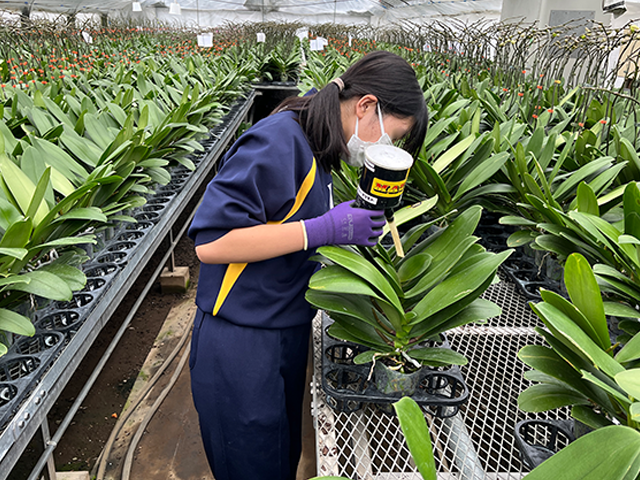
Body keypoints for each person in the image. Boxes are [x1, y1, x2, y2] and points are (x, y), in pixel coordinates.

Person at [188, 50, 428, 480]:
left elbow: (289, 220)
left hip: (285, 328)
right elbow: (211, 242)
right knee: (251, 467)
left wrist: (344, 232)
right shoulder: (280, 141)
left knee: (282, 459)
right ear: (366, 106)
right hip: (242, 340)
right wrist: (322, 229)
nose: (386, 149)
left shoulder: (321, 145)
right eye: (390, 137)